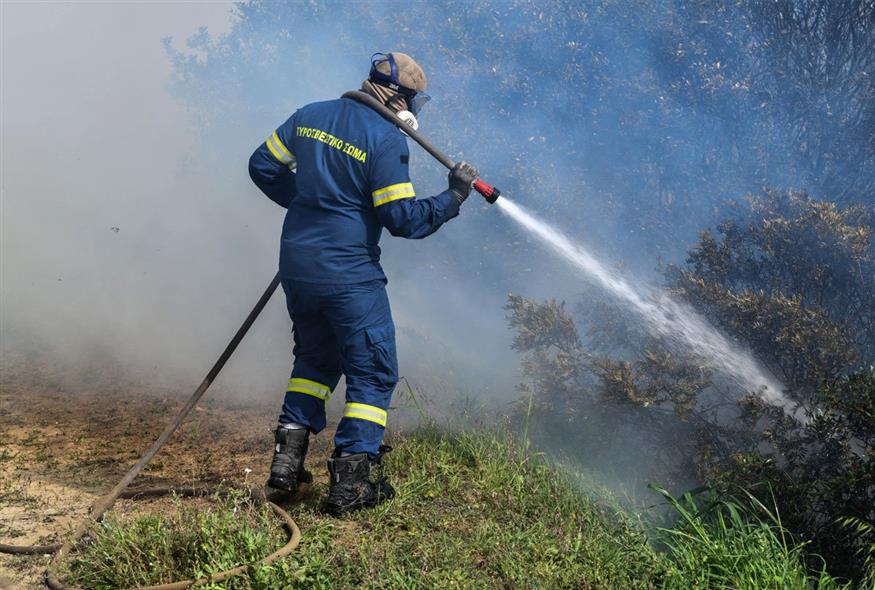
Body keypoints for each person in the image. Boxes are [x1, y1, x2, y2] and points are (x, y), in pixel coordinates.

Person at [248, 52, 478, 515]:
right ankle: (351, 485)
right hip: (348, 275)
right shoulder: (385, 138)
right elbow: (403, 220)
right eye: (413, 100)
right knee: (373, 372)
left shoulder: (310, 116)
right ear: (398, 97)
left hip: (298, 266)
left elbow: (262, 167)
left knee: (315, 358)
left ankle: (286, 467)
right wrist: (454, 196)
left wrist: (309, 205)